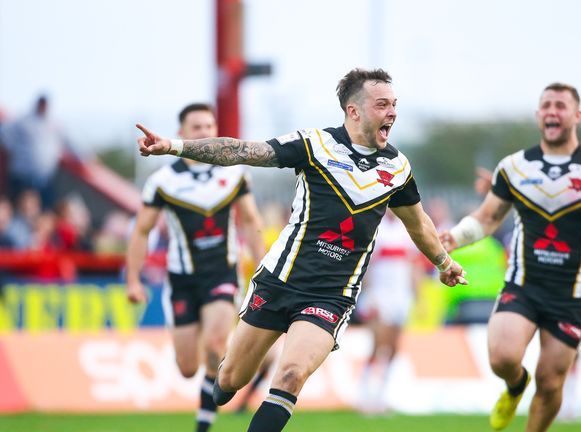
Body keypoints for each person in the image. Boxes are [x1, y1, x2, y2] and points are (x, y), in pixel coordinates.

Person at [135, 68, 467, 432]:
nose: (392, 112)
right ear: (354, 111)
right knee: (229, 381)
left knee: (291, 375)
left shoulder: (397, 167)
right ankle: (226, 377)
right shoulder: (314, 145)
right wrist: (175, 147)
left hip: (331, 295)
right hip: (279, 280)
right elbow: (246, 151)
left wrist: (443, 262)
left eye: (394, 105)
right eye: (382, 104)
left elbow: (417, 223)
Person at [440, 83, 581, 432]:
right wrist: (454, 237)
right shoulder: (515, 166)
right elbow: (488, 217)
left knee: (551, 382)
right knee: (502, 358)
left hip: (572, 293)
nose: (552, 111)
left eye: (561, 105)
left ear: (576, 115)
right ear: (538, 115)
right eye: (546, 105)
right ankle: (515, 385)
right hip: (524, 283)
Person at [126, 103, 267, 432]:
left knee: (216, 345)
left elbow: (251, 221)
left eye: (209, 126)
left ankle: (203, 425)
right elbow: (142, 231)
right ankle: (211, 383)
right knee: (187, 367)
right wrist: (133, 279)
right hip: (182, 280)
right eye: (196, 127)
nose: (204, 133)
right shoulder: (163, 181)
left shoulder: (234, 172)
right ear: (182, 134)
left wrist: (262, 270)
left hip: (222, 273)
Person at [356, 209, 423, 413]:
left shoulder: (406, 229)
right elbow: (366, 265)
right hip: (380, 294)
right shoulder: (377, 228)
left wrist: (416, 292)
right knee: (378, 345)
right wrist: (369, 294)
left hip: (400, 295)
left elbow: (413, 263)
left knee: (394, 347)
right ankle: (365, 394)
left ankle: (382, 395)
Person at [0, 95, 71, 209]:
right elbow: (4, 134)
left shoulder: (54, 123)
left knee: (45, 209)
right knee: (18, 208)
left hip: (43, 178)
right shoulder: (23, 121)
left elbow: (69, 142)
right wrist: (13, 149)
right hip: (22, 176)